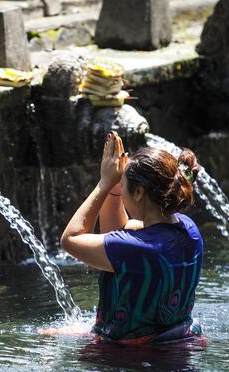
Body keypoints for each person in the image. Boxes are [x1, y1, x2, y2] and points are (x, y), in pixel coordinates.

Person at [60, 131, 204, 345]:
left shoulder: (135, 248)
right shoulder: (188, 229)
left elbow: (70, 239)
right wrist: (117, 188)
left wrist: (104, 183)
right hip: (176, 342)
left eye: (124, 184)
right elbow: (118, 231)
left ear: (138, 193)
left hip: (131, 357)